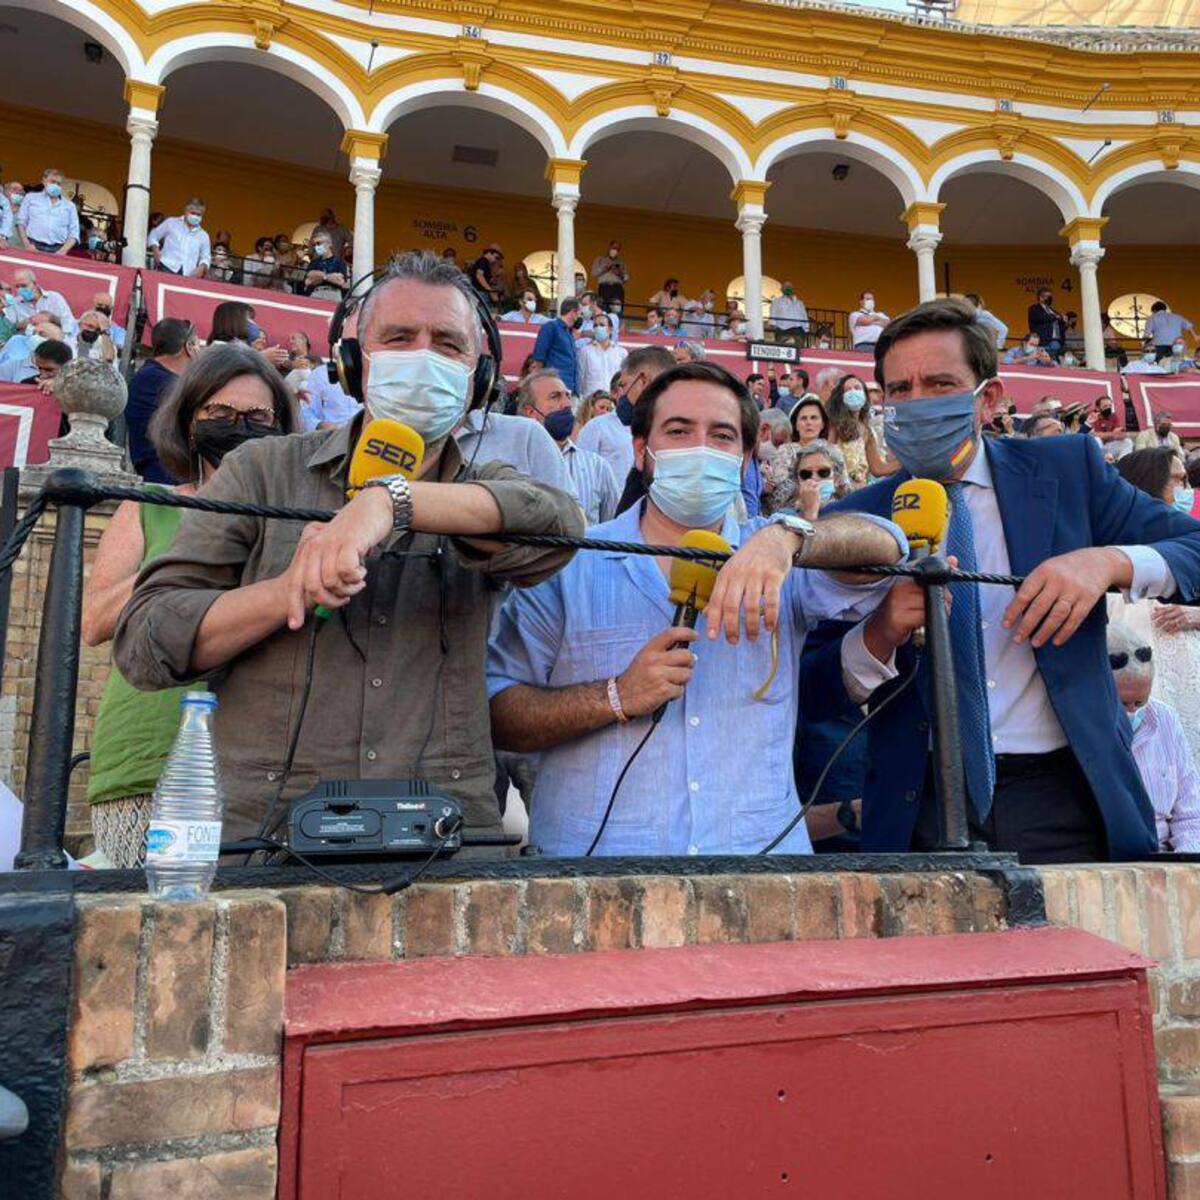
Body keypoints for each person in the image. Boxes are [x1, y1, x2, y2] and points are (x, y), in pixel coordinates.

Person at [114, 251, 584, 846]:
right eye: (398, 337)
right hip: (264, 837)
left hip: (443, 840)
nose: (422, 356)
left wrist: (389, 502)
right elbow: (145, 641)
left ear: (480, 376)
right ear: (353, 363)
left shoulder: (486, 484)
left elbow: (558, 525)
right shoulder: (261, 470)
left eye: (447, 343)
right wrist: (285, 591)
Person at [800, 296, 1200, 863]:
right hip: (922, 805)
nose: (916, 403)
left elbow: (1194, 548)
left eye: (939, 384)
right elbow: (812, 690)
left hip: (1068, 794)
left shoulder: (1068, 470)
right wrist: (880, 634)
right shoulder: (856, 520)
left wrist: (1108, 561)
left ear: (988, 398)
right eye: (899, 390)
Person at [486, 360, 908, 856]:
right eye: (679, 431)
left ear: (747, 457)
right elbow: (500, 713)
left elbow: (887, 545)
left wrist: (784, 537)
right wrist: (616, 695)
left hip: (762, 867)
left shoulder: (779, 555)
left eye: (722, 436)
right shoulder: (571, 561)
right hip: (595, 877)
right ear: (642, 450)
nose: (701, 448)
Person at [83, 348, 298, 865]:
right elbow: (93, 622)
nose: (238, 426)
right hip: (150, 756)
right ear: (188, 421)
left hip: (269, 760)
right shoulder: (151, 506)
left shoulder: (295, 517)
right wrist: (191, 558)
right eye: (219, 415)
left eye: (257, 417)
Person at [1112, 447, 1200, 771]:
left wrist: (1196, 616)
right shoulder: (1109, 553)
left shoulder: (1194, 543)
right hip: (1136, 689)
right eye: (1177, 480)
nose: (1186, 492)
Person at [1107, 624, 1200, 852]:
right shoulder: (1080, 727)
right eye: (1123, 703)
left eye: (1140, 702)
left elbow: (1191, 816)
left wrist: (1185, 863)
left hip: (1166, 859)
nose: (1131, 712)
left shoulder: (1165, 718)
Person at [518, 370, 619, 524]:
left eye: (567, 396)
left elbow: (613, 528)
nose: (567, 404)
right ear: (531, 412)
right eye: (555, 397)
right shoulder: (513, 464)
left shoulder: (597, 467)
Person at [577, 344, 675, 484]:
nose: (620, 395)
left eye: (623, 385)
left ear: (643, 381)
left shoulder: (681, 432)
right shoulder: (596, 427)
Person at [126, 319, 201, 482]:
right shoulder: (156, 378)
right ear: (189, 347)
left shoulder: (152, 375)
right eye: (196, 345)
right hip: (165, 471)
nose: (199, 351)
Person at [825, 374, 897, 485]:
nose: (853, 392)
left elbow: (878, 469)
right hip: (839, 489)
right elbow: (826, 460)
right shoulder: (835, 426)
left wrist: (907, 462)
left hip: (860, 489)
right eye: (848, 390)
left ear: (864, 394)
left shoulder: (867, 430)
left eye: (857, 388)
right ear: (842, 396)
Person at [762, 437, 850, 520]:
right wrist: (809, 511)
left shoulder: (848, 512)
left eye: (823, 472)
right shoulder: (784, 517)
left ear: (836, 477)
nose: (814, 478)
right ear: (798, 480)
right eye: (806, 474)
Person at [16, 169, 79, 254]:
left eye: (59, 184)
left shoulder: (70, 206)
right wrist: (27, 244)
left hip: (58, 249)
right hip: (33, 246)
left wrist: (63, 251)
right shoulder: (30, 198)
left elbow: (74, 232)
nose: (56, 185)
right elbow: (21, 223)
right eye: (53, 182)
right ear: (43, 181)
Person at [2, 268, 76, 338]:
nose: (20, 289)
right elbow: (7, 328)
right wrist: (19, 326)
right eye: (17, 287)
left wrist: (61, 338)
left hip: (55, 341)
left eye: (24, 285)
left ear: (34, 284)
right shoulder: (14, 304)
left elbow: (68, 322)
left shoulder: (54, 298)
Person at [147, 199, 211, 278]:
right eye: (193, 213)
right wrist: (156, 250)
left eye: (198, 215)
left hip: (188, 274)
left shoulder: (203, 235)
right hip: (166, 267)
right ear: (186, 211)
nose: (195, 216)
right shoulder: (171, 222)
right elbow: (153, 235)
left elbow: (206, 257)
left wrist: (202, 266)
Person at [530, 297, 582, 393]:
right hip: (555, 387)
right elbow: (538, 358)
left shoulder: (569, 333)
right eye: (580, 313)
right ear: (573, 312)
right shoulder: (551, 327)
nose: (580, 316)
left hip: (570, 388)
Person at [576, 310, 626, 399]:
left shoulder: (621, 353)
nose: (598, 328)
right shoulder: (585, 351)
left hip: (613, 403)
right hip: (591, 403)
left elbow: (624, 379)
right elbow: (580, 378)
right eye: (595, 326)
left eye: (602, 325)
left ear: (610, 329)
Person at [0, 335, 71, 389]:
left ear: (67, 366)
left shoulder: (79, 385)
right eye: (39, 368)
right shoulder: (27, 383)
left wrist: (60, 385)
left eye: (49, 370)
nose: (43, 374)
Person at [302, 231, 349, 299]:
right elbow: (308, 281)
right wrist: (328, 277)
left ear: (329, 243)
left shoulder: (339, 262)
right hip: (316, 293)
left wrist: (318, 275)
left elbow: (340, 281)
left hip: (334, 294)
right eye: (314, 245)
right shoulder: (314, 262)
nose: (316, 247)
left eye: (319, 243)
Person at [1027, 288, 1065, 358]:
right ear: (1040, 298)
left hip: (1058, 340)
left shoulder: (1052, 310)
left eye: (1051, 296)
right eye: (1048, 296)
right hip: (1043, 341)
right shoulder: (1034, 308)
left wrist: (1064, 320)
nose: (1050, 298)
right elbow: (1041, 318)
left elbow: (1059, 323)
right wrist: (1056, 317)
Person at [592, 240, 629, 309]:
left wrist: (620, 274)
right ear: (609, 248)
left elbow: (626, 278)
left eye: (617, 249)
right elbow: (594, 273)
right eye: (613, 248)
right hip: (604, 287)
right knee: (604, 308)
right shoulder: (600, 259)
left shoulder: (621, 262)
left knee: (617, 309)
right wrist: (605, 268)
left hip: (617, 288)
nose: (615, 250)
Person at [469, 244, 504, 309]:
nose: (496, 260)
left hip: (480, 293)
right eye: (496, 257)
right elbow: (479, 275)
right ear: (490, 253)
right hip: (479, 293)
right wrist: (490, 290)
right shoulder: (483, 261)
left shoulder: (484, 262)